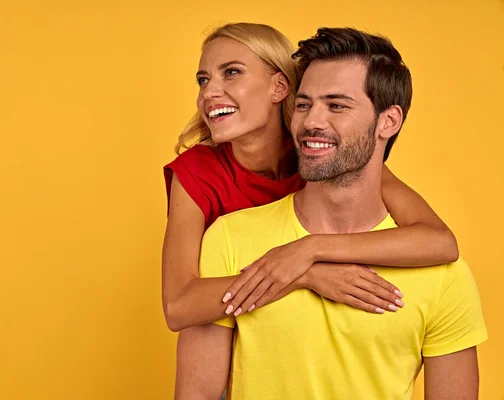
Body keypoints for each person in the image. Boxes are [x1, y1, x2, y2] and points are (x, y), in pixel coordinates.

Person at [175, 27, 488, 399]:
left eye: (337, 105)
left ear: (388, 122)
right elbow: (186, 342)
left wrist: (308, 249)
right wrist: (303, 274)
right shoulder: (226, 236)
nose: (311, 122)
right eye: (305, 104)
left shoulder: (442, 275)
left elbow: (443, 242)